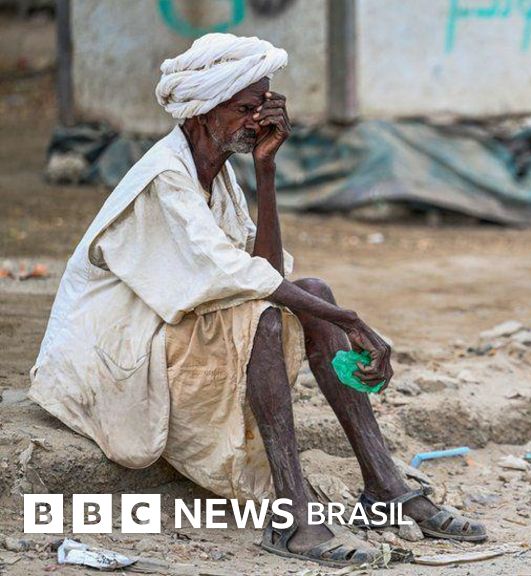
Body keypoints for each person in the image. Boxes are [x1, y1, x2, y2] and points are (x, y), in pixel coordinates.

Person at [30, 33, 485, 568]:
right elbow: (235, 277)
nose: (258, 121)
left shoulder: (218, 178)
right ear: (202, 112)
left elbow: (265, 269)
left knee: (312, 292)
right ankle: (292, 515)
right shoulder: (163, 179)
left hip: (159, 337)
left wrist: (266, 169)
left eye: (264, 108)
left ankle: (385, 485)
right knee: (268, 316)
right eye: (246, 109)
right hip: (108, 360)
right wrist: (351, 320)